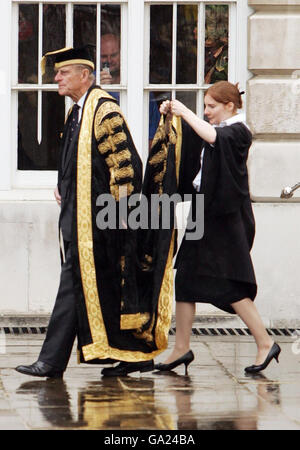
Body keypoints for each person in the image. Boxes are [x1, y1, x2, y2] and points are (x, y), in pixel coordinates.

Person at [15, 46, 175, 379]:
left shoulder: (104, 110)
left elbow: (127, 166)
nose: (56, 77)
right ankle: (135, 356)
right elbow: (77, 161)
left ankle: (51, 362)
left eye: (63, 72)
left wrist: (117, 218)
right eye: (57, 73)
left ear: (85, 75)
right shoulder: (77, 110)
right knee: (96, 291)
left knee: (81, 286)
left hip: (102, 223)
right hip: (82, 219)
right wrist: (63, 184)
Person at [154, 81, 281, 375]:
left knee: (232, 283)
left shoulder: (239, 132)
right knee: (185, 279)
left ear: (230, 106)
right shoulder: (218, 131)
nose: (207, 112)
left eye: (212, 106)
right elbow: (199, 137)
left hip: (227, 219)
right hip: (207, 213)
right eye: (205, 107)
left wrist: (183, 110)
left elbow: (213, 136)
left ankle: (265, 342)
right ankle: (181, 348)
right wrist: (171, 115)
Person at [100, 33, 160, 146]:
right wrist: (96, 89)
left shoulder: (137, 84)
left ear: (122, 53)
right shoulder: (91, 81)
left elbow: (152, 135)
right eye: (104, 56)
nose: (109, 60)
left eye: (113, 55)